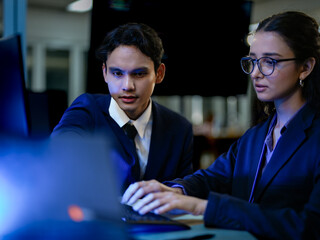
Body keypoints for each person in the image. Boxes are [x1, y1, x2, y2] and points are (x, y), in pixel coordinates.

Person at [121, 11, 320, 239]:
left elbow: (310, 227)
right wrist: (174, 190)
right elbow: (214, 178)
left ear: (305, 67)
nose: (255, 73)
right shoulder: (256, 136)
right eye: (252, 61)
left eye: (269, 62)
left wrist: (200, 207)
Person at [52, 23, 194, 192]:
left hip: (157, 218)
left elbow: (184, 192)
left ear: (159, 74)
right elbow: (58, 148)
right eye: (117, 73)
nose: (127, 86)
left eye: (139, 74)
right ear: (105, 73)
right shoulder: (87, 110)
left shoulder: (179, 129)